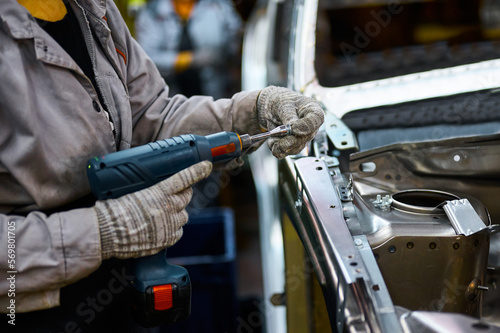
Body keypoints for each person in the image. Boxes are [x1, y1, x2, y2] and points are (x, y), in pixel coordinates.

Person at [0, 0, 324, 331]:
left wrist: (249, 114)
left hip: (121, 291)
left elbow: (151, 118)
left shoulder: (94, 8)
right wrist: (99, 234)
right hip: (30, 310)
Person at [135, 0, 242, 99]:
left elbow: (238, 43)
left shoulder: (219, 6)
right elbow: (146, 59)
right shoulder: (152, 12)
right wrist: (190, 60)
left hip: (217, 96)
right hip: (169, 101)